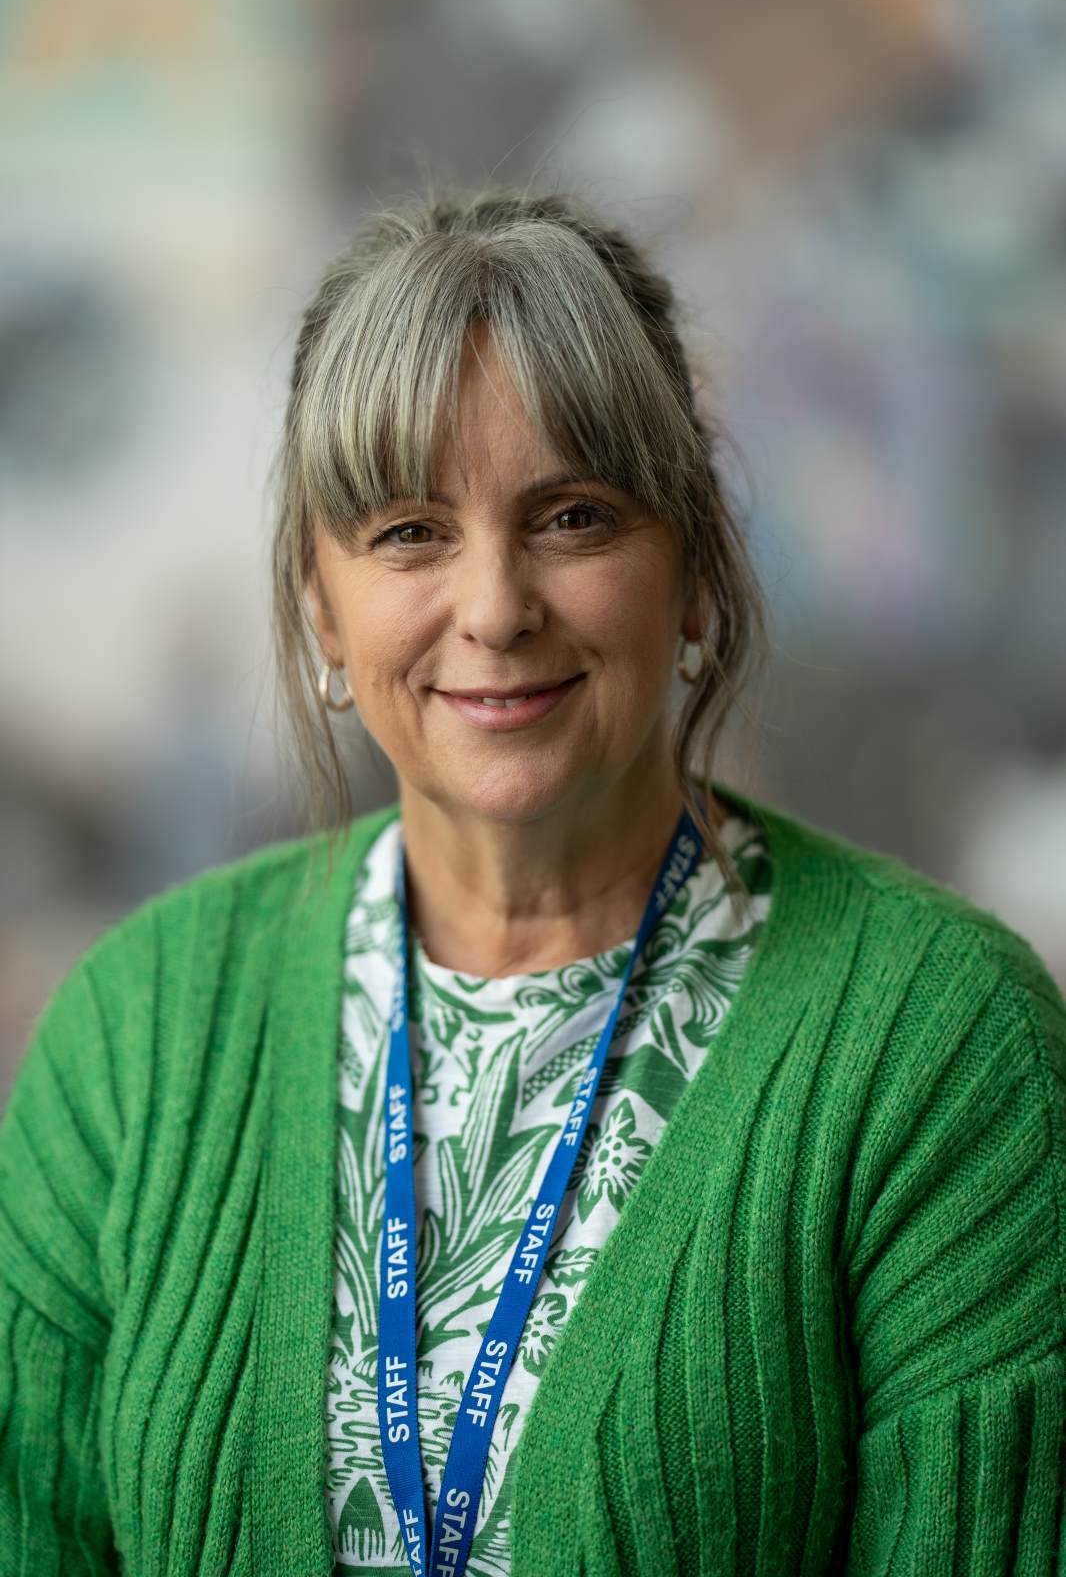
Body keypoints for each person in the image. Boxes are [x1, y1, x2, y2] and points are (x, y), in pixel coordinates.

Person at [1, 182, 1064, 1577]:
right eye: (408, 532)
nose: (496, 608)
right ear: (320, 603)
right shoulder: (134, 1032)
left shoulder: (941, 1045)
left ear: (696, 569)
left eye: (571, 517)